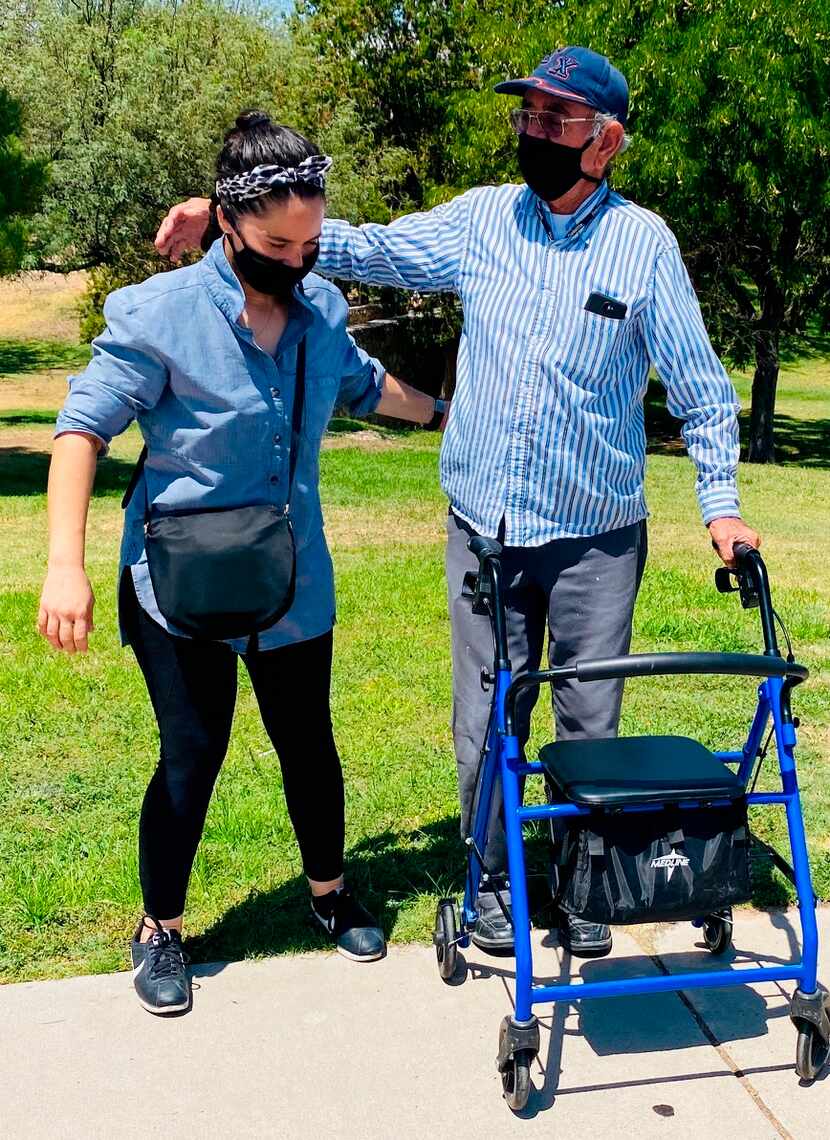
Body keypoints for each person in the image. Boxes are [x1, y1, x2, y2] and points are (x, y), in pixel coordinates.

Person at [155, 47, 761, 960]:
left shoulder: (645, 246)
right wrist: (232, 219)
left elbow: (704, 392)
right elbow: (375, 245)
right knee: (485, 714)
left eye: (554, 121)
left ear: (607, 142)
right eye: (527, 117)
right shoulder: (485, 220)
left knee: (588, 716)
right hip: (485, 525)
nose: (531, 134)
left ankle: (583, 880)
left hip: (596, 536)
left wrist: (721, 507)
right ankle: (488, 881)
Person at [38, 111, 447, 1015]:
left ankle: (331, 895)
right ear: (227, 221)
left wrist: (450, 413)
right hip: (176, 584)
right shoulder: (160, 313)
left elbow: (365, 384)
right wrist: (64, 563)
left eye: (309, 244)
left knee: (309, 742)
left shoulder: (321, 311)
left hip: (292, 581)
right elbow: (81, 429)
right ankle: (161, 930)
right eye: (276, 242)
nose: (296, 261)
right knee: (193, 753)